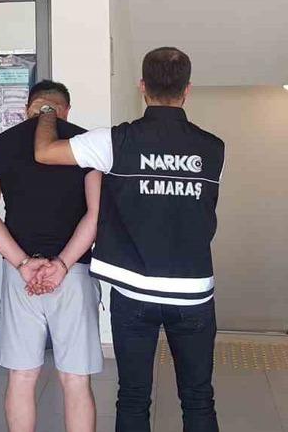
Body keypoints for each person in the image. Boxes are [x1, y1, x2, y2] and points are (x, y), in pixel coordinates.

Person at [34, 48, 224, 432]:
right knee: (198, 398)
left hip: (133, 291)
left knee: (134, 396)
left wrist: (47, 112)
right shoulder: (213, 148)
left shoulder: (116, 142)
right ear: (187, 90)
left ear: (142, 87)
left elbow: (44, 152)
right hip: (192, 293)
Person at [0, 80, 102, 432]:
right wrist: (62, 264)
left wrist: (24, 263)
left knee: (22, 375)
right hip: (74, 273)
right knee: (76, 379)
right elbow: (97, 214)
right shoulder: (85, 143)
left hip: (21, 276)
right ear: (66, 110)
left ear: (27, 108)